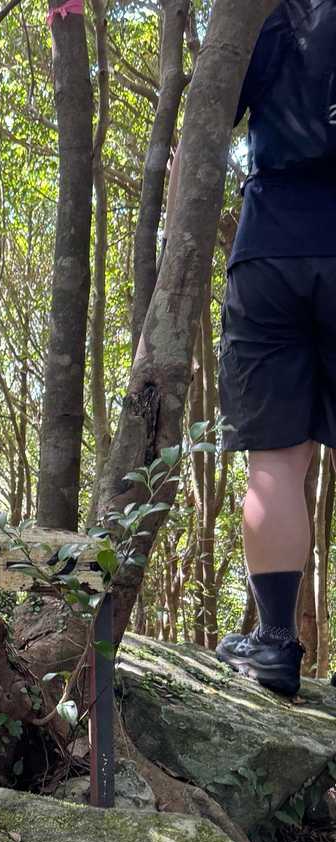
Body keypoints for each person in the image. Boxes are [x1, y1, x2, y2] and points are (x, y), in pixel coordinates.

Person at [213, 0, 336, 697]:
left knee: (276, 461)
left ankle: (276, 645)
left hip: (272, 243)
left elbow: (211, 113)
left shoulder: (264, 9)